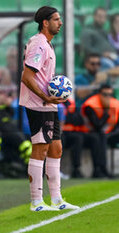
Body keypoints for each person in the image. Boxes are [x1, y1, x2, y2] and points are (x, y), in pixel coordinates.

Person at [19, 6, 79, 211]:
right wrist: (45, 96)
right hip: (38, 104)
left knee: (56, 148)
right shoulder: (39, 44)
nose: (60, 23)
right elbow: (26, 77)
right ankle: (36, 202)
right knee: (41, 148)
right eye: (56, 19)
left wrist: (54, 97)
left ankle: (57, 200)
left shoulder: (47, 45)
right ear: (45, 23)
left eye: (60, 19)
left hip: (48, 104)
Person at [81, 84, 119, 178]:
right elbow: (97, 126)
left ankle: (103, 169)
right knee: (99, 138)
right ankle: (99, 169)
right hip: (88, 133)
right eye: (105, 94)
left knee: (103, 137)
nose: (108, 97)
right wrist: (106, 111)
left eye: (110, 94)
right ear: (99, 94)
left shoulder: (116, 104)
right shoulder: (91, 105)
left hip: (108, 133)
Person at [60, 98, 102, 178]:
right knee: (77, 138)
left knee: (95, 138)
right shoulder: (56, 103)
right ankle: (75, 169)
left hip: (74, 131)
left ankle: (98, 169)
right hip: (62, 133)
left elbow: (78, 120)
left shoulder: (71, 103)